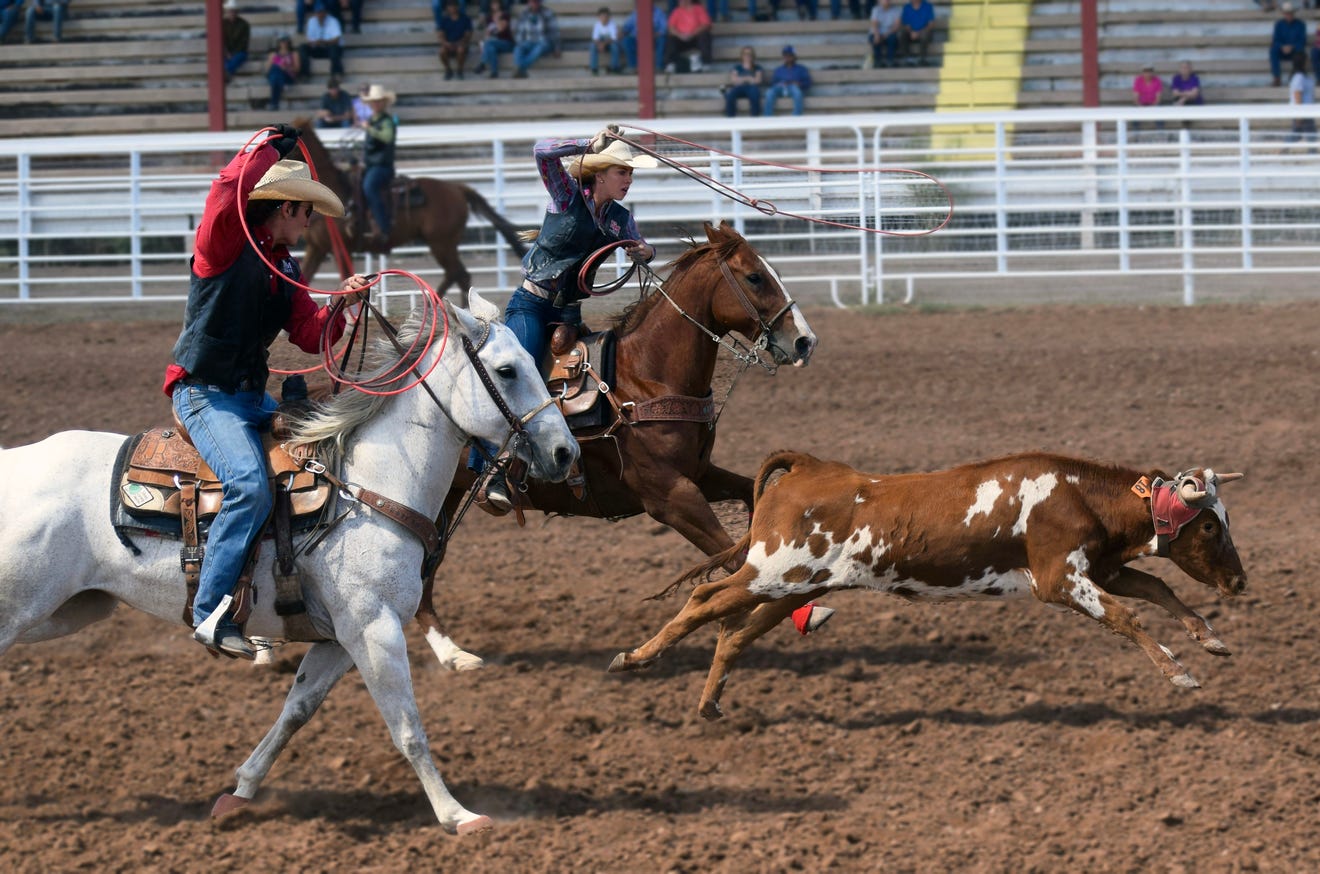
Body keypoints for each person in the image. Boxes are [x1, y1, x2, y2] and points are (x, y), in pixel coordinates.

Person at [164, 124, 370, 660]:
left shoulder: (285, 266)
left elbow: (308, 335)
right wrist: (266, 146)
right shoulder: (224, 246)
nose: (310, 222)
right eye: (307, 212)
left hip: (252, 397)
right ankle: (210, 612)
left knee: (327, 464)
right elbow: (226, 192)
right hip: (205, 394)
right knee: (250, 486)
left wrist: (340, 305)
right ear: (285, 207)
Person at [470, 126, 656, 511]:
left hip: (569, 313)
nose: (629, 179)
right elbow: (542, 150)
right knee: (514, 372)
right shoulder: (566, 195)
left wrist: (645, 252)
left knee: (594, 379)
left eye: (630, 173)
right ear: (600, 174)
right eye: (622, 172)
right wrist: (587, 144)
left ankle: (575, 456)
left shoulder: (620, 219)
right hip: (532, 304)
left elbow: (642, 246)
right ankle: (491, 467)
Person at [360, 84, 398, 247]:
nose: (375, 104)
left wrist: (370, 129)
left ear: (384, 103)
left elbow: (387, 137)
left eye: (379, 101)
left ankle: (383, 226)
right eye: (373, 101)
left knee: (369, 186)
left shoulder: (386, 121)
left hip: (382, 166)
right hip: (372, 165)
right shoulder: (372, 121)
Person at [510, 0, 560, 79]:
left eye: (536, 2)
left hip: (544, 42)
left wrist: (557, 47)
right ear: (529, 2)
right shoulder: (524, 13)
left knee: (539, 48)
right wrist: (520, 43)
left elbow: (554, 32)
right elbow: (519, 32)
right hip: (528, 41)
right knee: (518, 48)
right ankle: (521, 71)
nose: (534, 4)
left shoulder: (548, 12)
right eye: (532, 2)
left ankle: (521, 69)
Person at [663, 0, 712, 74]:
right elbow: (670, 27)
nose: (679, 1)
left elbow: (706, 25)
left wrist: (692, 34)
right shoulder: (677, 11)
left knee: (705, 35)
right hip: (681, 38)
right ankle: (670, 64)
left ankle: (706, 63)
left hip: (695, 37)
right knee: (671, 38)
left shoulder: (699, 9)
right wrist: (680, 35)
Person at [300, 2, 345, 80]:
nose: (320, 14)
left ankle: (337, 73)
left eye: (322, 12)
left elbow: (337, 39)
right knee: (302, 47)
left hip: (330, 48)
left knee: (334, 48)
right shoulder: (311, 21)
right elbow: (310, 40)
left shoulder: (333, 21)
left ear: (326, 12)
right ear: (315, 13)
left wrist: (324, 42)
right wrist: (316, 42)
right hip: (318, 48)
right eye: (318, 12)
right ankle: (305, 74)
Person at [763, 45, 811, 116]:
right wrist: (778, 84)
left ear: (794, 56)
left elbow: (808, 83)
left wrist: (799, 84)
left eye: (789, 55)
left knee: (797, 92)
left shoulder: (801, 69)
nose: (787, 57)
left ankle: (796, 118)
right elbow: (773, 83)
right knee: (769, 92)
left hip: (793, 88)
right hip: (781, 88)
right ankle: (768, 118)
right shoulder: (778, 70)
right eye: (785, 55)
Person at [621, 4, 666, 74]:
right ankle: (633, 66)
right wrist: (622, 32)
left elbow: (663, 29)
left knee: (662, 40)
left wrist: (655, 35)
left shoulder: (659, 13)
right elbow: (627, 26)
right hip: (637, 38)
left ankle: (658, 67)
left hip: (653, 38)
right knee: (627, 40)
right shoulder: (637, 12)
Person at [435, 0, 473, 81]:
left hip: (461, 44)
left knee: (460, 49)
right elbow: (440, 34)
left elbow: (468, 35)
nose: (452, 8)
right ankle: (448, 70)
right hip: (448, 44)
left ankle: (460, 70)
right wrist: (446, 43)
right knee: (441, 51)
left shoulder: (465, 19)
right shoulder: (444, 19)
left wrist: (459, 43)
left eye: (454, 6)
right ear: (447, 8)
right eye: (450, 6)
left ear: (458, 7)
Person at [1271, 2, 1306, 86]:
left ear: (1293, 13)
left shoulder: (1300, 25)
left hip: (1295, 51)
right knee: (1273, 51)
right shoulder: (1279, 25)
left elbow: (1302, 40)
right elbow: (1275, 40)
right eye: (1286, 13)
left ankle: (1295, 78)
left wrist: (1292, 47)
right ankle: (1277, 77)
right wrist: (1282, 46)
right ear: (1284, 14)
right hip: (1282, 50)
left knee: (1300, 53)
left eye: (1290, 13)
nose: (1288, 15)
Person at [476, 1, 515, 77]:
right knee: (491, 48)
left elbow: (501, 29)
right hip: (494, 43)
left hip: (507, 43)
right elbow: (487, 33)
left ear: (500, 4)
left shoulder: (505, 15)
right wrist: (483, 43)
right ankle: (494, 72)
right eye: (493, 3)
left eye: (496, 3)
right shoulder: (489, 17)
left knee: (489, 44)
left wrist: (496, 19)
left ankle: (483, 63)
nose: (495, 5)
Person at [724, 46, 764, 117]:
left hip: (752, 88)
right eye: (745, 54)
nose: (747, 56)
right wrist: (748, 78)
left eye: (750, 54)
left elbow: (758, 80)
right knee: (730, 95)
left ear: (753, 56)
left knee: (755, 95)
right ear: (742, 56)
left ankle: (755, 119)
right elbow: (733, 80)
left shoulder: (757, 67)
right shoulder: (737, 67)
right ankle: (730, 119)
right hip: (739, 87)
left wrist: (742, 79)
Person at [266, 35, 301, 111]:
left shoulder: (293, 54)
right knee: (276, 71)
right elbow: (268, 70)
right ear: (279, 43)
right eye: (282, 41)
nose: (283, 43)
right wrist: (275, 63)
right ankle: (275, 103)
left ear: (289, 42)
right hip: (276, 76)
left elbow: (297, 69)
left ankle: (274, 103)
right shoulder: (274, 55)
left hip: (288, 75)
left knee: (276, 75)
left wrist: (286, 68)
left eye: (285, 41)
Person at [1288, 53, 1317, 145]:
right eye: (1307, 60)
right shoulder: (1299, 77)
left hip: (1307, 111)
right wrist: (1299, 114)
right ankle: (1283, 149)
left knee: (1297, 135)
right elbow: (1297, 95)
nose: (1309, 62)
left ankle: (1283, 149)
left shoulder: (1304, 77)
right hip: (1303, 111)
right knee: (1311, 136)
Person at [897, 0, 936, 67]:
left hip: (924, 32)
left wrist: (918, 33)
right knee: (902, 34)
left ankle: (922, 59)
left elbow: (931, 24)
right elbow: (906, 24)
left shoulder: (928, 6)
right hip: (911, 33)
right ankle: (908, 59)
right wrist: (911, 32)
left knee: (925, 34)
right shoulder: (907, 7)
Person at [222, 1, 250, 83]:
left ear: (237, 12)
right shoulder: (223, 23)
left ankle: (225, 74)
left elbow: (244, 42)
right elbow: (221, 40)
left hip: (239, 52)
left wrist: (233, 53)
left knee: (238, 57)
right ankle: (227, 74)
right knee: (222, 59)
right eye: (230, 11)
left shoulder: (244, 24)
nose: (232, 13)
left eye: (233, 11)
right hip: (226, 51)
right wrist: (226, 52)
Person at [590, 7, 622, 75]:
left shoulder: (612, 24)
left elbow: (613, 38)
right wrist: (600, 45)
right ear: (599, 17)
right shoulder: (597, 25)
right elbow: (595, 38)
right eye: (602, 17)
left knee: (615, 47)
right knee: (593, 46)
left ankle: (614, 67)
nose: (604, 19)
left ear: (609, 17)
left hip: (610, 43)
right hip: (600, 43)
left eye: (606, 16)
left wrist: (603, 44)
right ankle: (594, 68)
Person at [1131, 63, 1164, 130]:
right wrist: (1140, 106)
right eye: (1145, 71)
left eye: (1150, 71)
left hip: (1154, 104)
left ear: (1152, 72)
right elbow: (1135, 97)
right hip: (1141, 104)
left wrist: (1153, 107)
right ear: (1142, 72)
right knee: (1134, 114)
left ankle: (1160, 133)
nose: (1148, 73)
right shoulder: (1138, 80)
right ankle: (1135, 134)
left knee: (1160, 114)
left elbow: (1158, 98)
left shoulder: (1157, 80)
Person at [870, 0, 901, 69]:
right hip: (878, 32)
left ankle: (890, 60)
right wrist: (877, 34)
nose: (886, 1)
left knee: (892, 38)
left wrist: (886, 34)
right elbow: (874, 24)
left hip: (890, 32)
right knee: (873, 38)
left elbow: (897, 26)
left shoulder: (896, 10)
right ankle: (878, 61)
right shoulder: (876, 10)